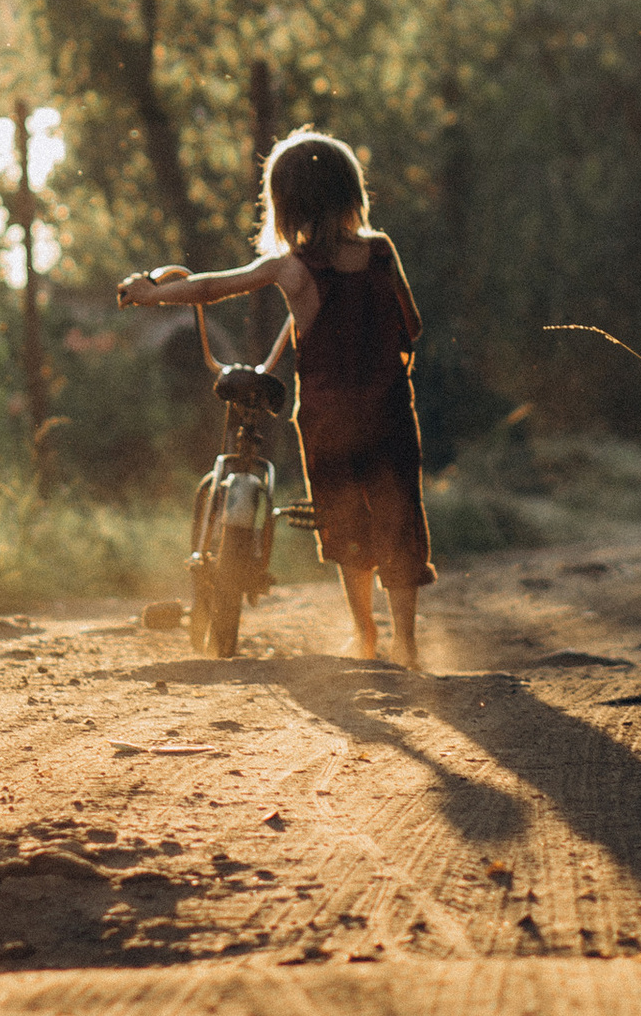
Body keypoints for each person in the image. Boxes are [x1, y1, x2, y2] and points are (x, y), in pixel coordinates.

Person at [117, 128, 435, 669]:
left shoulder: (289, 268)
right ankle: (406, 643)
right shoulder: (379, 252)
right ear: (350, 193)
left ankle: (366, 638)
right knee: (396, 519)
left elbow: (209, 286)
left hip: (328, 420)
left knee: (346, 523)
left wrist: (149, 293)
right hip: (389, 413)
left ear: (283, 204)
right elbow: (412, 325)